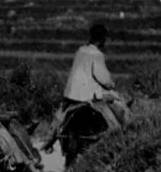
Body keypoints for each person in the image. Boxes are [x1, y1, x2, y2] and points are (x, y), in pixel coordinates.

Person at [43, 23, 129, 153]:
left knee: (59, 117)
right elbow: (103, 78)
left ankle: (50, 138)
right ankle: (123, 138)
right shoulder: (97, 54)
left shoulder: (80, 51)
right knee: (118, 104)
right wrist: (111, 85)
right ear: (103, 39)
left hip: (72, 95)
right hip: (88, 96)